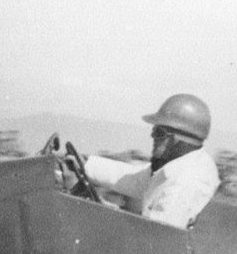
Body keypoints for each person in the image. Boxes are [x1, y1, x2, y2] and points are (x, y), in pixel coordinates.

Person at [68, 94, 220, 229]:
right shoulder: (182, 166)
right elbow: (136, 179)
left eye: (159, 132)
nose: (152, 137)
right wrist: (86, 164)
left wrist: (102, 209)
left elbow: (154, 238)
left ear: (178, 140)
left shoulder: (186, 183)